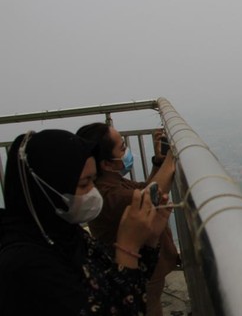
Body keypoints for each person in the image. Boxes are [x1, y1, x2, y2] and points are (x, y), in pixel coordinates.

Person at [0, 129, 172, 315]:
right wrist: (128, 246)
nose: (93, 191)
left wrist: (149, 240)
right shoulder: (25, 265)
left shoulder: (65, 235)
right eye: (84, 184)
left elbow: (118, 283)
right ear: (47, 189)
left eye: (93, 180)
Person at [76, 123, 178, 316]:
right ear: (106, 163)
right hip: (137, 266)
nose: (126, 151)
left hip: (143, 264)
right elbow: (151, 197)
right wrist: (172, 159)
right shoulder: (108, 194)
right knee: (149, 308)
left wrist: (159, 161)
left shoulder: (112, 181)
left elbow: (146, 188)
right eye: (122, 147)